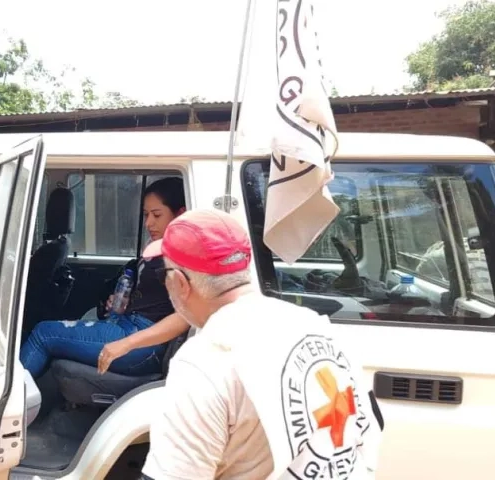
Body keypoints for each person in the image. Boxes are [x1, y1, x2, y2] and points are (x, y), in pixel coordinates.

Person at [140, 209, 383, 480]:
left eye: (166, 273)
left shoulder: (204, 362)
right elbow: (371, 425)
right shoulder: (318, 327)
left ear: (179, 283)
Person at [19, 177, 190, 378]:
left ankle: (6, 404)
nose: (148, 223)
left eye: (156, 215)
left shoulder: (179, 256)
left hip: (142, 343)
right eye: (145, 215)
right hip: (130, 326)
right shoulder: (160, 249)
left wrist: (126, 344)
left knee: (43, 334)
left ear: (181, 213)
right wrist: (125, 302)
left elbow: (186, 316)